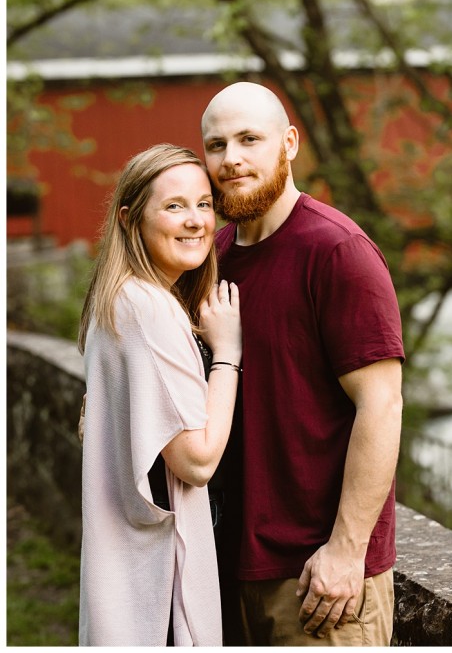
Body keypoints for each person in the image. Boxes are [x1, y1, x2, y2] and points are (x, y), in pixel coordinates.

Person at [200, 81, 405, 646]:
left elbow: (382, 405)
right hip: (226, 566)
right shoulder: (211, 257)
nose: (231, 159)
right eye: (216, 146)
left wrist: (346, 549)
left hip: (320, 580)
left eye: (249, 139)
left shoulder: (337, 251)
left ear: (288, 143)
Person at [78, 144, 242, 645]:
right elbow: (197, 461)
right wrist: (228, 352)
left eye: (204, 204)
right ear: (130, 219)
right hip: (157, 588)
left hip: (127, 572)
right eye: (174, 206)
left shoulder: (117, 300)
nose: (195, 221)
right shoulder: (151, 309)